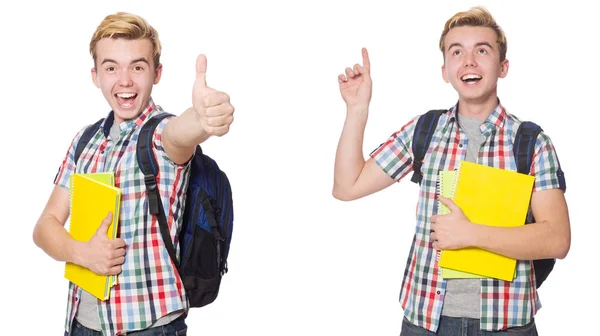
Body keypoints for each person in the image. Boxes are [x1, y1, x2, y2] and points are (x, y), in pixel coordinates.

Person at [332, 6, 570, 335]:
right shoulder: (424, 131)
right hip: (425, 322)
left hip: (506, 325)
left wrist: (470, 234)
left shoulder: (530, 142)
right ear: (445, 70)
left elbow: (557, 239)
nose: (468, 61)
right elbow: (347, 186)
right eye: (456, 52)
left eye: (481, 50)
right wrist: (357, 109)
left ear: (503, 67)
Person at [32, 12, 234, 336]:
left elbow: (179, 135)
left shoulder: (159, 136)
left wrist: (201, 118)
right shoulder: (85, 141)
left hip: (149, 329)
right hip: (81, 325)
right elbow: (45, 227)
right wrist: (81, 253)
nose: (125, 80)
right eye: (112, 67)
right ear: (96, 75)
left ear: (157, 73)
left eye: (138, 67)